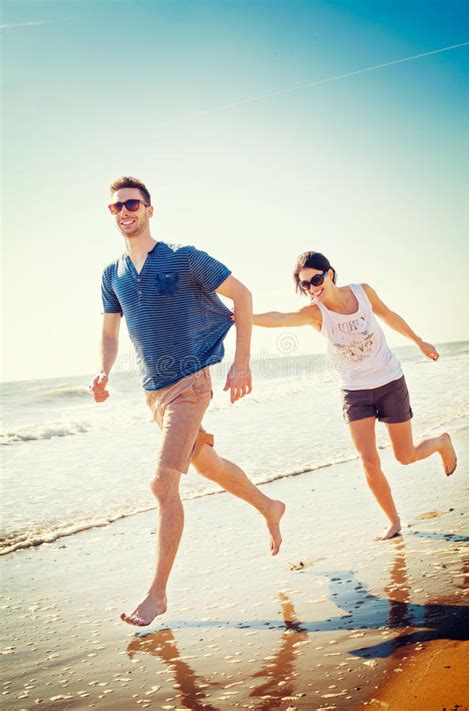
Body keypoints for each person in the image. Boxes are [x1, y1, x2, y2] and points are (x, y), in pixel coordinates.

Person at [90, 176, 285, 627]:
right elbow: (108, 332)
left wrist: (242, 364)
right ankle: (270, 507)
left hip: (191, 383)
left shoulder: (184, 257)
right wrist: (102, 369)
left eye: (132, 203)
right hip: (153, 393)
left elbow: (243, 295)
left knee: (163, 483)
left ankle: (157, 595)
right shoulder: (111, 274)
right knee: (208, 464)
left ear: (149, 209)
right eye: (116, 207)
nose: (125, 212)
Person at [251, 251, 457, 541]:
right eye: (306, 285)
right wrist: (244, 316)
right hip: (355, 392)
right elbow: (282, 318)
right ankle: (394, 521)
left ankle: (441, 443)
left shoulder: (363, 293)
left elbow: (390, 316)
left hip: (390, 380)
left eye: (316, 279)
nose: (313, 288)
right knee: (369, 461)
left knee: (405, 456)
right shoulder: (315, 312)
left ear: (330, 274)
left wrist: (419, 342)